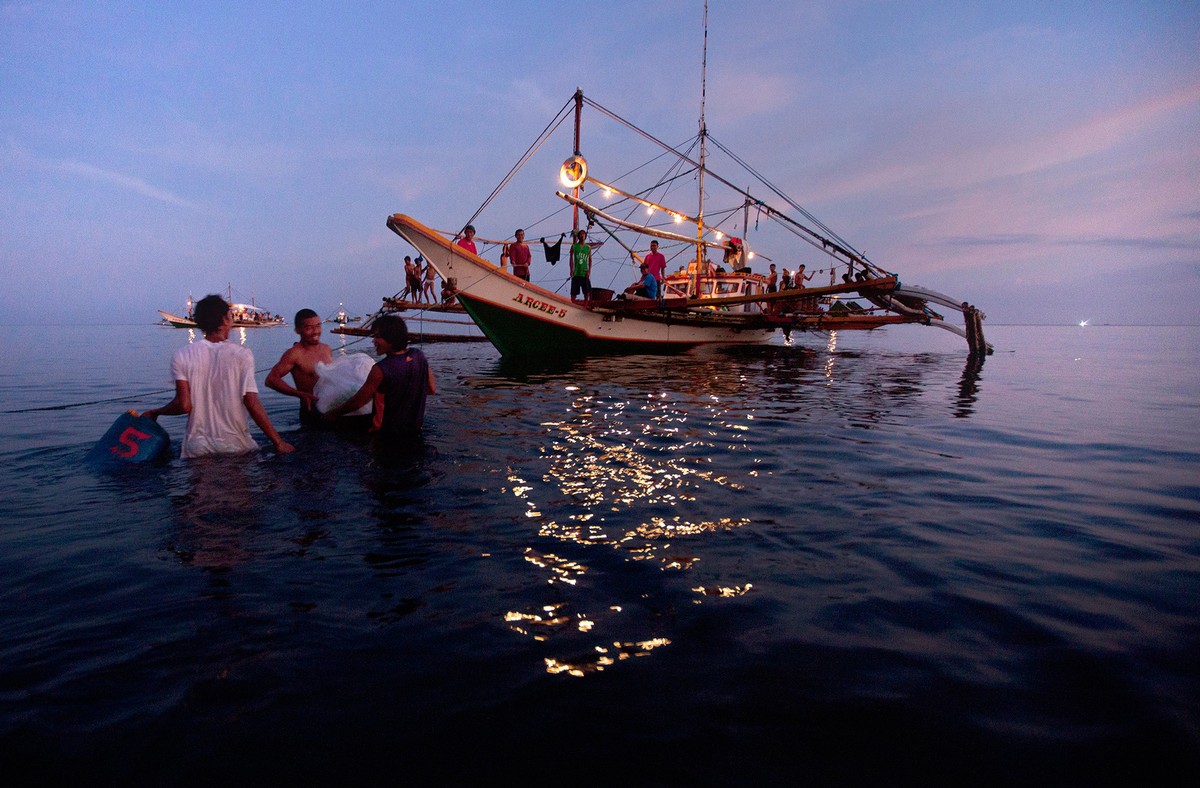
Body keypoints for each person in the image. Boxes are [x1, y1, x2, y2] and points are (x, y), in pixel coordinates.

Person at [142, 294, 294, 457]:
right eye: (230, 316)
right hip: (235, 445)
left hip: (197, 447)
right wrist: (278, 442)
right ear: (224, 320)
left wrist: (157, 412)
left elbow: (183, 405)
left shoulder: (182, 355)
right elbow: (251, 402)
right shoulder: (242, 354)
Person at [323, 315, 436, 442]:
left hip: (388, 437)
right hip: (416, 431)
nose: (374, 341)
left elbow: (358, 402)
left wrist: (333, 413)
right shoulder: (419, 356)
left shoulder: (381, 369)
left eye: (378, 337)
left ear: (391, 338)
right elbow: (431, 389)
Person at [266, 308, 334, 426]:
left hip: (332, 409)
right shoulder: (295, 354)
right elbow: (271, 380)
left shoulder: (327, 349)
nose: (315, 331)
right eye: (309, 328)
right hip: (311, 412)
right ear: (298, 330)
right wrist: (300, 394)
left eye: (318, 326)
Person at [570, 229, 592, 301]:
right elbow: (571, 259)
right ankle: (573, 303)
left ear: (585, 236)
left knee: (586, 291)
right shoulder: (574, 246)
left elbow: (590, 260)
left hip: (584, 272)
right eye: (581, 234)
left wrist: (589, 271)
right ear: (578, 236)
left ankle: (586, 303)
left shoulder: (588, 247)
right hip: (576, 272)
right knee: (574, 292)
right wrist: (571, 270)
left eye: (583, 234)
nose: (582, 235)